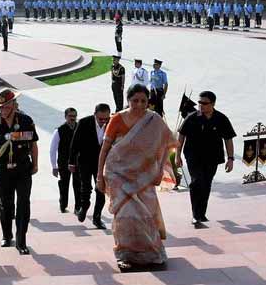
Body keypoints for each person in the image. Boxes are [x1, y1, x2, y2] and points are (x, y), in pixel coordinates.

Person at [96, 84, 177, 272]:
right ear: (128, 100)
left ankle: (151, 254)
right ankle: (125, 255)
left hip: (145, 175)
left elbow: (167, 143)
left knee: (146, 215)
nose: (139, 105)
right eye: (135, 101)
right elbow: (105, 149)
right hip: (118, 173)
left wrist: (159, 171)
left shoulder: (153, 119)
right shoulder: (117, 119)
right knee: (125, 216)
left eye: (143, 101)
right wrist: (100, 175)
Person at [0, 88, 38, 254]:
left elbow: (33, 143)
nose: (3, 110)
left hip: (22, 169)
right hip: (2, 170)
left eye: (5, 106)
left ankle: (21, 241)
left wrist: (35, 164)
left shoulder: (26, 120)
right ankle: (7, 235)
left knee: (23, 203)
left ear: (14, 105)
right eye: (0, 107)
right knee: (6, 204)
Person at [175, 90, 236, 228]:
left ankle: (202, 213)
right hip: (193, 156)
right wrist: (177, 156)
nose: (201, 105)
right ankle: (195, 216)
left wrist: (231, 158)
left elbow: (228, 139)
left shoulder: (221, 118)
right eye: (199, 102)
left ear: (213, 104)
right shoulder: (191, 117)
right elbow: (181, 136)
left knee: (206, 184)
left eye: (204, 103)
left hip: (212, 157)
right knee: (196, 182)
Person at [68, 103, 110, 230]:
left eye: (105, 119)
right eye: (100, 119)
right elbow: (74, 143)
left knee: (101, 190)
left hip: (102, 163)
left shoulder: (112, 123)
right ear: (95, 114)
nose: (103, 121)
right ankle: (84, 207)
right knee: (86, 188)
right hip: (85, 161)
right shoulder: (84, 123)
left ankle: (97, 218)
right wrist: (71, 162)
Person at [49, 107, 80, 215]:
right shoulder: (59, 130)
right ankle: (63, 205)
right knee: (64, 184)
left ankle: (78, 207)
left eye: (74, 116)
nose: (73, 118)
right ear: (65, 117)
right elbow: (52, 149)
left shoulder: (79, 128)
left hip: (77, 162)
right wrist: (54, 166)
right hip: (63, 163)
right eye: (70, 116)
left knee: (78, 184)